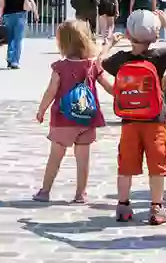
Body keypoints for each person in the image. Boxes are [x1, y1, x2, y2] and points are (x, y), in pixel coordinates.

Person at [96, 9, 166, 226]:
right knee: (157, 166)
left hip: (129, 121)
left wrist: (109, 43)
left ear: (127, 34)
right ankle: (156, 208)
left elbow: (99, 62)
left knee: (126, 164)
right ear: (156, 36)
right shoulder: (159, 56)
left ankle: (123, 206)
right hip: (155, 120)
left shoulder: (120, 59)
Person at [33, 20, 104, 204]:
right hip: (86, 118)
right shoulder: (92, 66)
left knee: (55, 156)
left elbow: (51, 91)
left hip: (63, 119)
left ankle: (44, 191)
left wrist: (41, 110)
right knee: (83, 160)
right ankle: (81, 194)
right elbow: (110, 87)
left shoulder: (60, 67)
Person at [0, 0, 37, 70]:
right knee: (18, 39)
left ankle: (10, 59)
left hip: (7, 15)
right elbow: (30, 0)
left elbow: (2, 4)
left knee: (10, 38)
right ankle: (15, 61)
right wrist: (35, 12)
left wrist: (0, 17)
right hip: (20, 15)